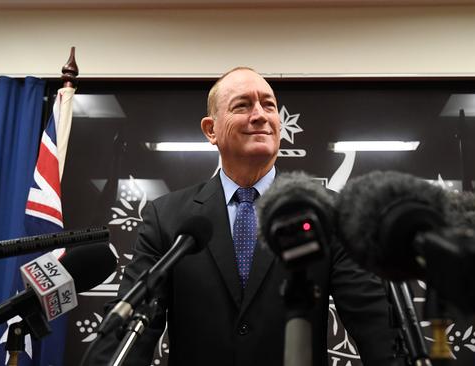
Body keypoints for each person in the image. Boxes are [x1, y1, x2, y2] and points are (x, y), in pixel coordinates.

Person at [88, 67, 399, 366]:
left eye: (269, 105)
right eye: (243, 105)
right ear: (211, 129)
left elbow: (376, 328)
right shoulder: (167, 217)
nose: (260, 115)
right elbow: (128, 334)